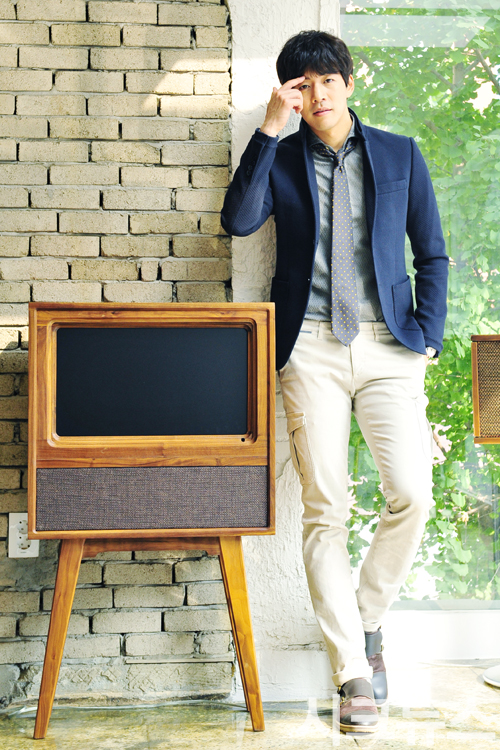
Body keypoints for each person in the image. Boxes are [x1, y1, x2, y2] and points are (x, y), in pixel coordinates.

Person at [221, 30, 448, 734]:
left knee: (412, 495)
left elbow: (432, 252)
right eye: (302, 83)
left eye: (327, 80)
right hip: (310, 347)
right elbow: (237, 221)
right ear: (290, 92)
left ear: (349, 82)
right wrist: (268, 129)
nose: (317, 94)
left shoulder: (400, 154)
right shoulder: (282, 156)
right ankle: (352, 673)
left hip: (388, 346)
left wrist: (428, 336)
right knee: (325, 509)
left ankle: (366, 617)